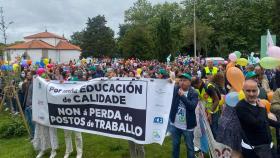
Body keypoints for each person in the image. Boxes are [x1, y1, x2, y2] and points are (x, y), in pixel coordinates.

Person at [235, 80, 280, 158]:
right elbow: (256, 124)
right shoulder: (241, 107)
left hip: (267, 146)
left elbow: (265, 120)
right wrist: (262, 109)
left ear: (258, 91)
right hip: (254, 150)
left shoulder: (259, 103)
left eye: (254, 91)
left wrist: (278, 124)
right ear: (243, 91)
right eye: (248, 91)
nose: (251, 94)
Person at [169, 73, 199, 158]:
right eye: (181, 80)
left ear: (189, 82)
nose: (182, 82)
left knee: (190, 147)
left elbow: (191, 106)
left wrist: (182, 96)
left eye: (185, 80)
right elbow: (166, 88)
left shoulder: (194, 93)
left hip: (188, 126)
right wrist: (167, 82)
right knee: (175, 145)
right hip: (175, 124)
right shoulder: (176, 89)